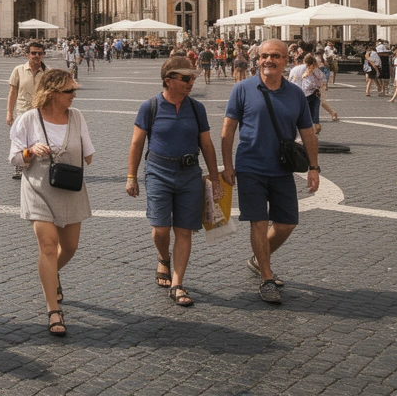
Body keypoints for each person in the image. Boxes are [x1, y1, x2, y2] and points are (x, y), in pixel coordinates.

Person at [220, 39, 320, 305]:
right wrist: (228, 166)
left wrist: (314, 167)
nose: (268, 60)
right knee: (259, 222)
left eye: (275, 56)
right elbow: (228, 131)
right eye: (264, 56)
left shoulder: (296, 94)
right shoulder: (242, 89)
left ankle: (257, 258)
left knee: (287, 223)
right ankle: (266, 277)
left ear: (287, 61)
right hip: (250, 166)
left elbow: (307, 132)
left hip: (282, 168)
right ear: (258, 59)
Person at [126, 57, 222, 307]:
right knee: (160, 228)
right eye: (186, 78)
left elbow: (207, 144)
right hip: (158, 171)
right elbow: (137, 143)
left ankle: (178, 283)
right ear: (169, 81)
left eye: (193, 78)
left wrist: (214, 178)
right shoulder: (150, 106)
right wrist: (131, 176)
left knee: (183, 230)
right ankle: (162, 257)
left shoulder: (196, 108)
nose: (192, 82)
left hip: (190, 174)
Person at [10, 68, 93, 336]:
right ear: (52, 93)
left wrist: (71, 150)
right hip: (38, 187)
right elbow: (13, 157)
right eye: (69, 91)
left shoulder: (77, 117)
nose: (74, 95)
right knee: (48, 245)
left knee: (69, 247)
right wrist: (30, 150)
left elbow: (89, 156)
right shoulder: (28, 119)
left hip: (70, 187)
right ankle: (53, 310)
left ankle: (50, 274)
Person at [6, 41, 47, 181]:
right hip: (22, 111)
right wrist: (9, 113)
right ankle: (20, 165)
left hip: (40, 112)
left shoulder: (47, 72)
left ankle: (35, 165)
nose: (36, 56)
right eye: (33, 53)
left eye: (39, 53)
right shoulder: (18, 70)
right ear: (27, 55)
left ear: (43, 55)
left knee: (38, 138)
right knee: (21, 139)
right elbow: (13, 92)